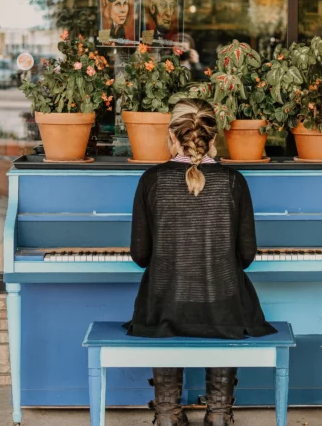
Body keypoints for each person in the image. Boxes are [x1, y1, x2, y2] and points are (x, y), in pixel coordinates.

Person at [124, 98, 276, 426]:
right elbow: (247, 257)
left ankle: (167, 414)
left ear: (172, 136)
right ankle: (220, 415)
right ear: (213, 138)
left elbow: (140, 257)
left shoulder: (151, 180)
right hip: (222, 304)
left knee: (163, 305)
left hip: (164, 304)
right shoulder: (233, 181)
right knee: (226, 302)